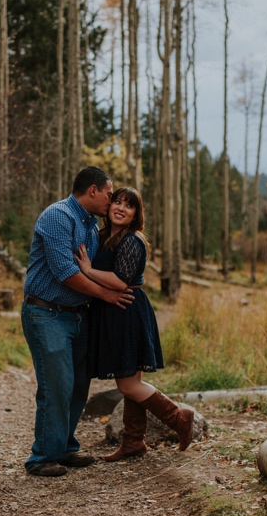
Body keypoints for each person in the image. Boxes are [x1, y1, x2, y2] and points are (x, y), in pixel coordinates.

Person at [21, 166, 135, 477]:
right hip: (47, 313)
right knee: (56, 386)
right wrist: (106, 295)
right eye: (109, 195)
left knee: (77, 386)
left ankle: (65, 448)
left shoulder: (89, 225)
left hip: (78, 317)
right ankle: (41, 457)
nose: (111, 201)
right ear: (93, 191)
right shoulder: (59, 216)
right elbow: (65, 272)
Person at [76, 186, 195, 461]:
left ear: (135, 214)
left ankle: (179, 417)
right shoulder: (104, 236)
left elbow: (120, 281)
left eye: (128, 205)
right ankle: (133, 441)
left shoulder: (132, 241)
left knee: (127, 384)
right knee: (131, 378)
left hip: (127, 312)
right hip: (112, 313)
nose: (120, 208)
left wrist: (88, 271)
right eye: (116, 201)